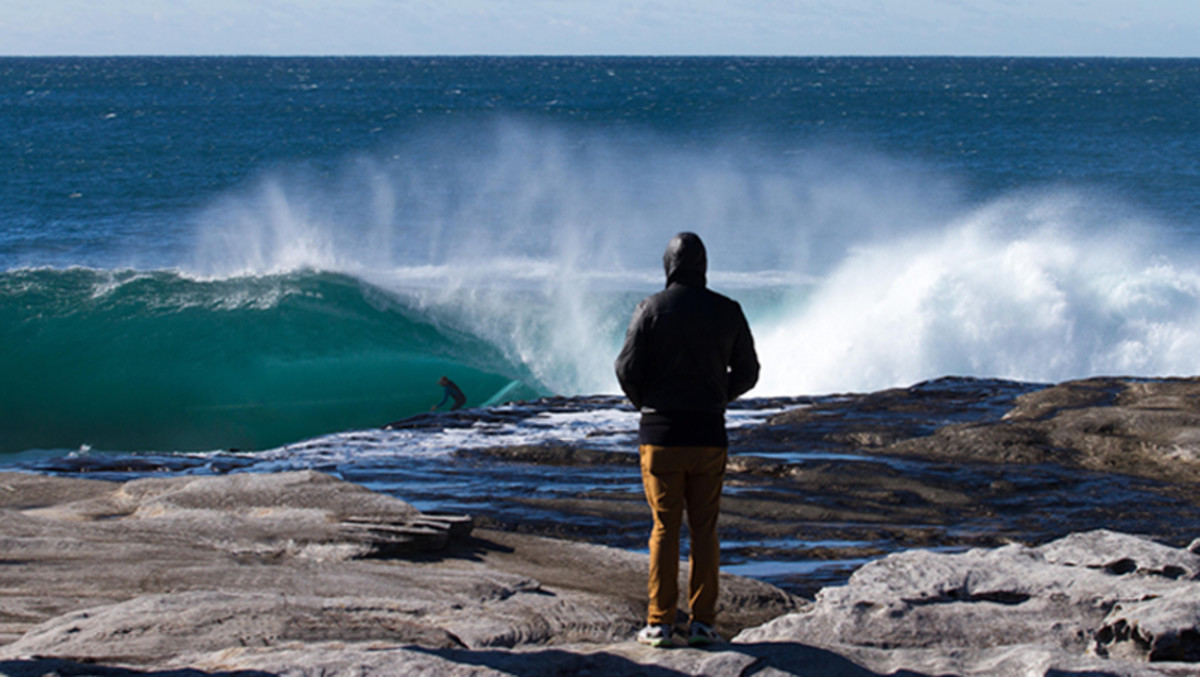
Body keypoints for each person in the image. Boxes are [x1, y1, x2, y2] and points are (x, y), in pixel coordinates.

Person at [614, 232, 760, 648]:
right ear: (703, 266)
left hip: (660, 435)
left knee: (664, 527)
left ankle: (659, 623)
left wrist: (647, 402)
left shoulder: (650, 309)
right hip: (707, 435)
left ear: (668, 266)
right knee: (704, 530)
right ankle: (704, 625)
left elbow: (625, 368)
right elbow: (748, 372)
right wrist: (717, 397)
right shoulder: (728, 310)